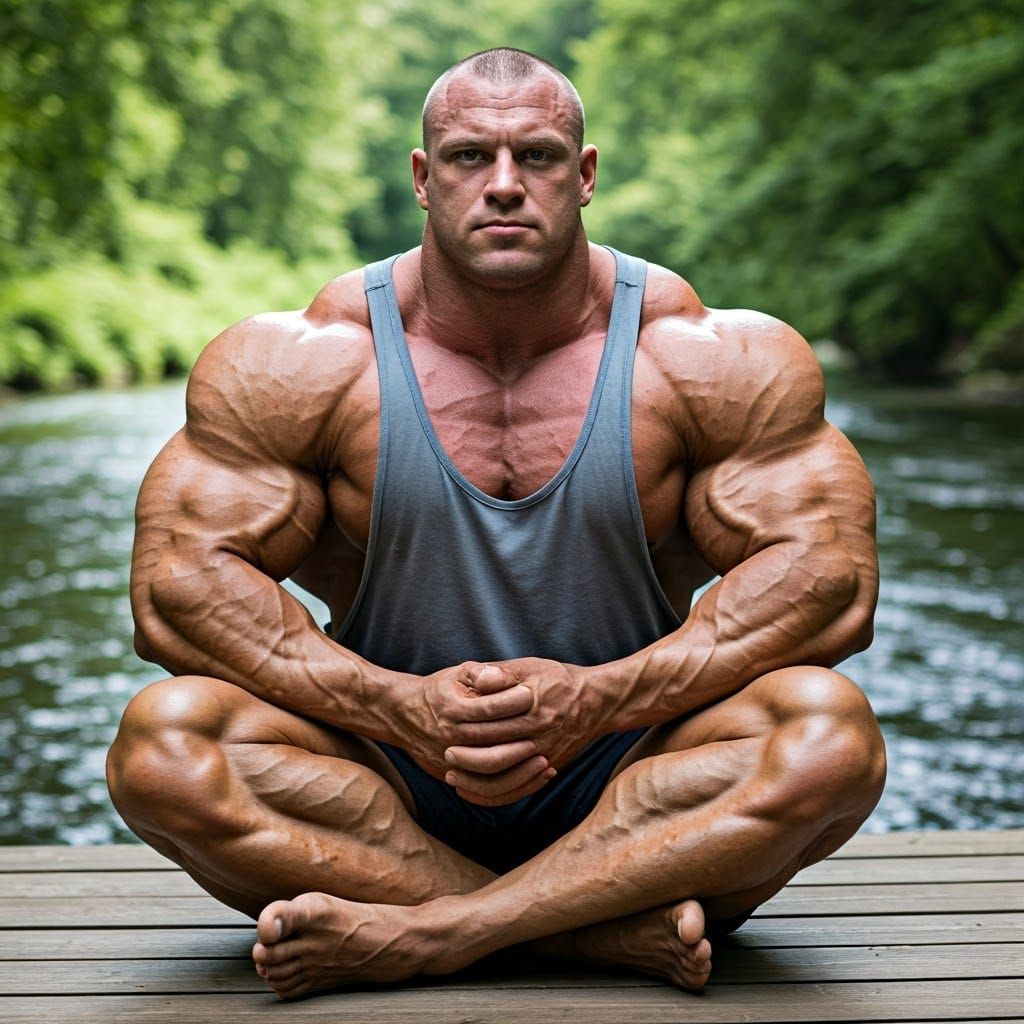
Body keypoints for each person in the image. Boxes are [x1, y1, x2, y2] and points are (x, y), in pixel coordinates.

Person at [107, 47, 885, 999]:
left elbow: (828, 589)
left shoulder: (705, 356)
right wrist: (395, 708)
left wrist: (601, 700)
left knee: (829, 733)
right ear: (424, 178)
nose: (505, 185)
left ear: (584, 175)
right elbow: (177, 597)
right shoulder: (305, 362)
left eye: (538, 156)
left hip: (633, 773)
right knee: (165, 742)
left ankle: (442, 932)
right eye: (471, 156)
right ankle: (587, 934)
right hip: (388, 782)